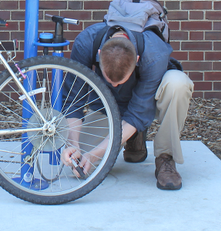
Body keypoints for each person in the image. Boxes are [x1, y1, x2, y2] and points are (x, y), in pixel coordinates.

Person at [60, 21, 193, 190]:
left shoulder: (154, 54)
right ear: (99, 55)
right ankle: (132, 135)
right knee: (80, 167)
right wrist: (73, 144)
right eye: (110, 80)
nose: (114, 86)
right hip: (109, 108)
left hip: (147, 103)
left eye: (120, 81)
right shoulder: (86, 42)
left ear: (137, 59)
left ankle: (165, 157)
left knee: (177, 83)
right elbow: (73, 100)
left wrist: (96, 154)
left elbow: (138, 113)